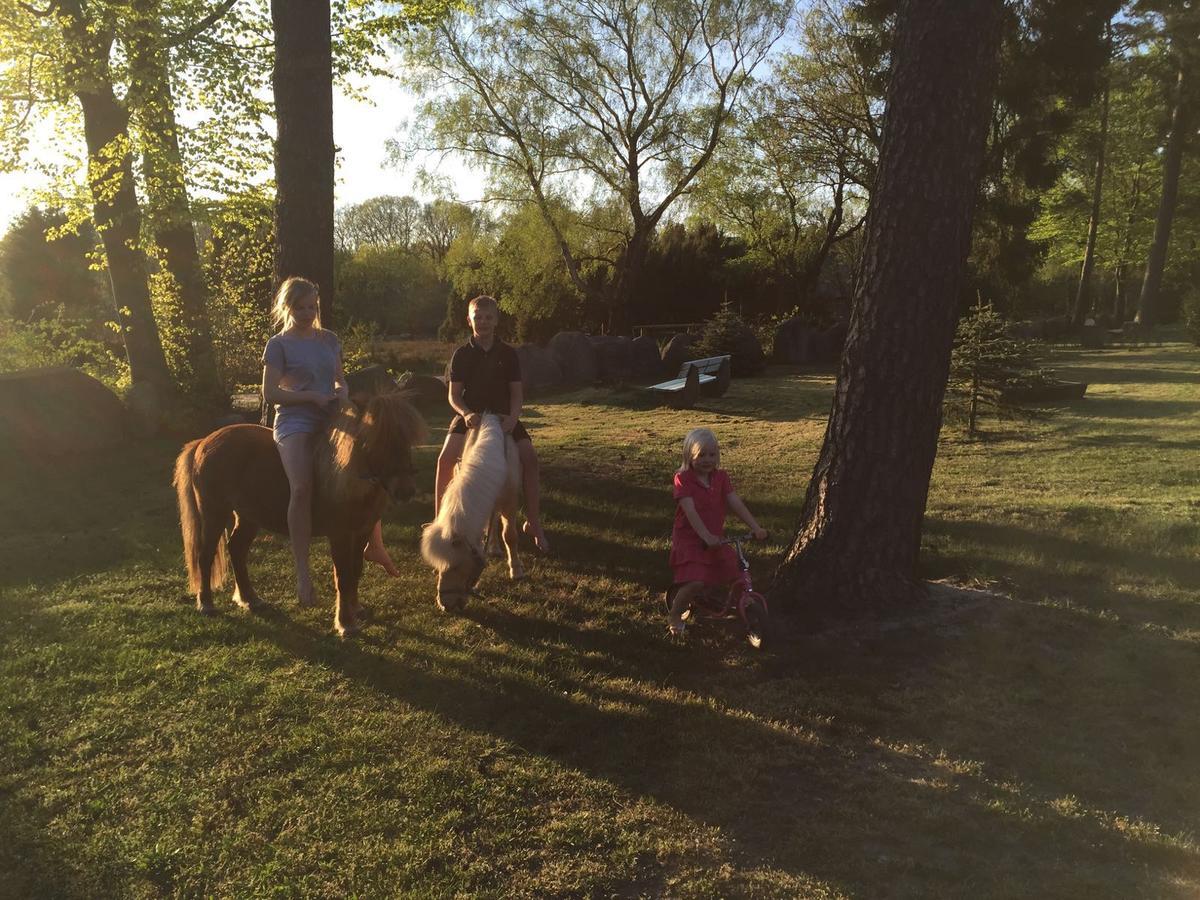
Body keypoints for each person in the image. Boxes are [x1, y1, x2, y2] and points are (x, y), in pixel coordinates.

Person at [435, 294, 550, 552]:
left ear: (496, 320)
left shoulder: (509, 354)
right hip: (472, 416)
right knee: (445, 459)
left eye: (488, 317)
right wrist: (465, 414)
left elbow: (517, 395)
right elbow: (453, 396)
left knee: (530, 458)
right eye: (478, 317)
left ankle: (533, 522)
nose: (483, 322)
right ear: (469, 320)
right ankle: (440, 524)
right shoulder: (462, 355)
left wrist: (512, 419)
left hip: (502, 417)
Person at [261, 276, 349, 606]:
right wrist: (310, 396)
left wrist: (342, 394)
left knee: (368, 467)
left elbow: (340, 379)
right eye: (301, 308)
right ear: (288, 307)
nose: (308, 313)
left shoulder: (329, 339)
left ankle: (373, 545)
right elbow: (270, 393)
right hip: (295, 419)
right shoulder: (278, 344)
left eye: (312, 306)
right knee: (301, 487)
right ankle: (302, 574)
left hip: (329, 416)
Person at [667, 427, 767, 636]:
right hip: (691, 538)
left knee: (735, 571)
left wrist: (755, 527)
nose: (707, 460)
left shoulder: (720, 477)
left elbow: (734, 502)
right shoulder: (683, 478)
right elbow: (690, 511)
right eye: (701, 455)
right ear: (689, 455)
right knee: (695, 581)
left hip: (714, 537)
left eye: (712, 454)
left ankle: (747, 606)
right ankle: (675, 614)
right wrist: (705, 536)